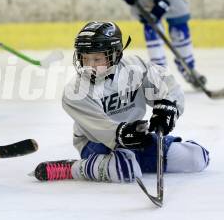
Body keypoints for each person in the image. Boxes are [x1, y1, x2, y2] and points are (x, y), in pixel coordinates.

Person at [32, 22, 209, 183]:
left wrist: (168, 107)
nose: (89, 65)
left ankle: (135, 160)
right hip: (96, 143)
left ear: (115, 55)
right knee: (126, 170)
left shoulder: (135, 68)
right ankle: (72, 169)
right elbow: (101, 128)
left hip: (138, 135)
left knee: (197, 157)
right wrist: (121, 134)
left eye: (97, 59)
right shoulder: (75, 92)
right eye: (85, 58)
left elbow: (167, 86)